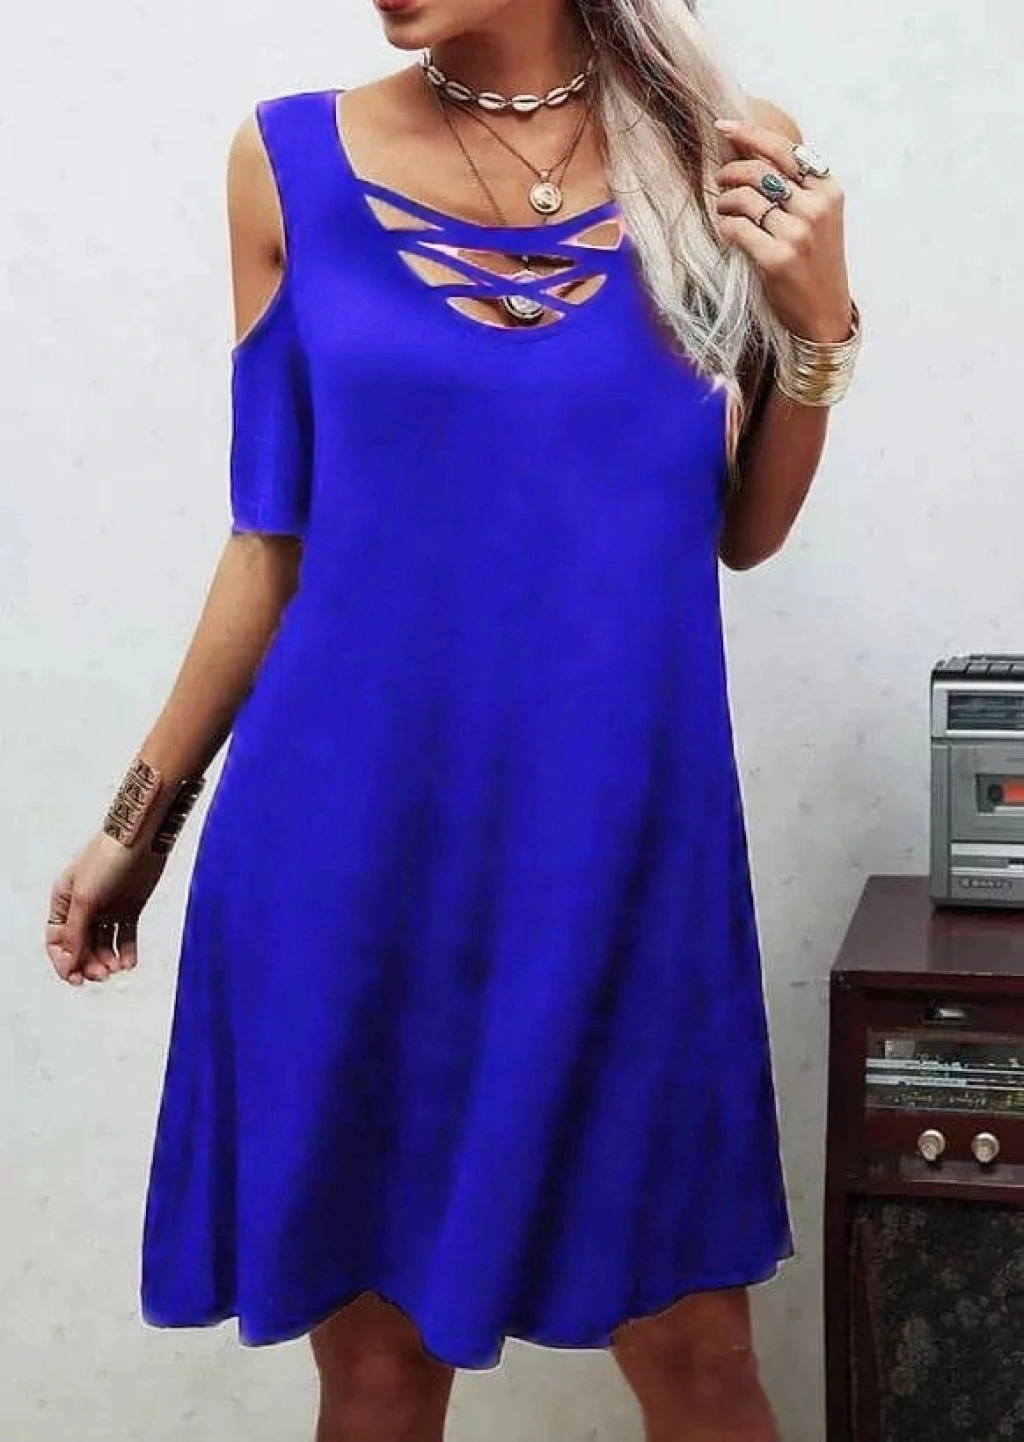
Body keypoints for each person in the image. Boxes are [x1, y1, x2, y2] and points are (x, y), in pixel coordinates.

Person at [44, 1, 859, 1438]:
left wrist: (820, 327)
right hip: (349, 853)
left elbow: (742, 533)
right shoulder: (283, 162)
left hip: (623, 859)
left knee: (702, 1365)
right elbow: (271, 542)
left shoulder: (717, 155)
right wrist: (139, 822)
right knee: (376, 1375)